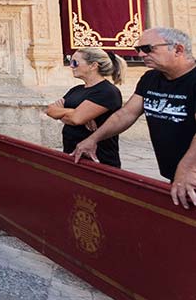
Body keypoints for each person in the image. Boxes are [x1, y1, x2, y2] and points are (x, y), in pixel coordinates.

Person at [73, 28, 196, 209]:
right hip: (179, 174)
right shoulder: (151, 78)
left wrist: (188, 169)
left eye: (147, 48)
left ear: (178, 49)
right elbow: (126, 114)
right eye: (138, 49)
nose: (140, 54)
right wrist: (93, 139)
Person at [46, 48, 125, 168]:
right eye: (69, 61)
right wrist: (74, 112)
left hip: (98, 158)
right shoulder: (76, 90)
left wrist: (70, 114)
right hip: (71, 153)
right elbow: (50, 110)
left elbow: (76, 119)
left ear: (93, 66)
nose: (71, 66)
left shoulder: (107, 91)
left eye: (75, 62)